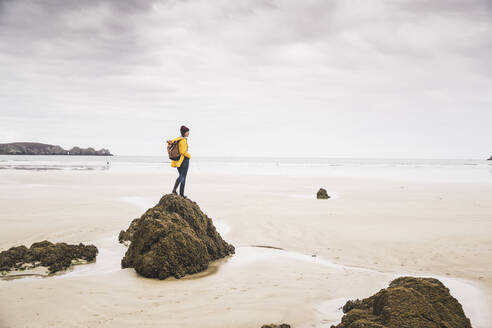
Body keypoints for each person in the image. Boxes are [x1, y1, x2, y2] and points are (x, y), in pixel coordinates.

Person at [170, 125, 191, 198]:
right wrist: (189, 156)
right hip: (183, 160)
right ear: (184, 132)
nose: (188, 133)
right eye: (187, 132)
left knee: (181, 176)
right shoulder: (183, 140)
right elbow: (183, 152)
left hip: (177, 160)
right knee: (183, 177)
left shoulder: (177, 139)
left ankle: (174, 190)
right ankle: (181, 194)